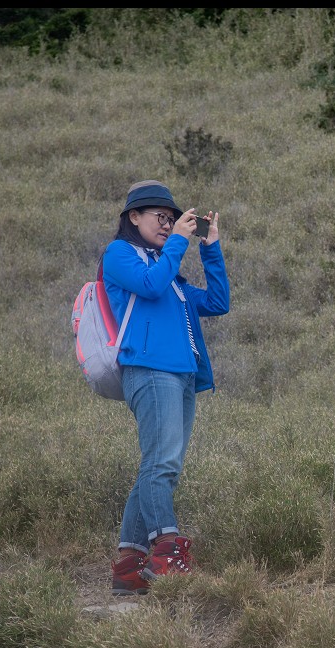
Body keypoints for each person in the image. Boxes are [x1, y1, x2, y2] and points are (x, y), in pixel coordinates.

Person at [104, 180, 230, 596]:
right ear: (132, 218)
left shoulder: (170, 272)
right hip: (148, 369)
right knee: (161, 463)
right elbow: (150, 285)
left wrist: (209, 247)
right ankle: (167, 551)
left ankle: (129, 564)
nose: (167, 223)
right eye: (159, 216)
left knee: (161, 465)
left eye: (172, 218)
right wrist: (178, 243)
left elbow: (216, 302)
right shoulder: (120, 254)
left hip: (182, 376)